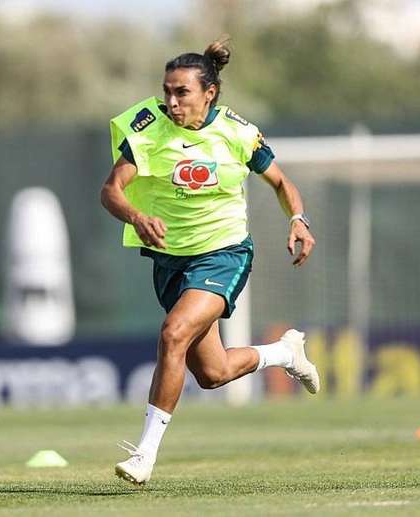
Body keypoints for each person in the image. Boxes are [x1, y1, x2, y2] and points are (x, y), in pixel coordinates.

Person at [100, 38, 319, 485]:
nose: (171, 101)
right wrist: (137, 215)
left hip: (223, 252)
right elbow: (111, 191)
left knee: (173, 332)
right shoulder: (148, 128)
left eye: (181, 92)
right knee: (213, 373)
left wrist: (298, 218)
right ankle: (283, 352)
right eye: (167, 91)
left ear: (209, 93)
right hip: (169, 259)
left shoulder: (237, 133)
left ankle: (144, 453)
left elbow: (280, 181)